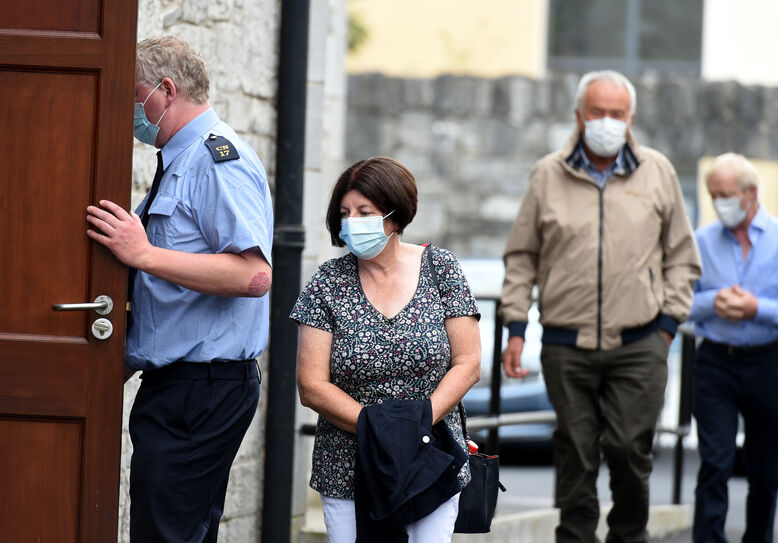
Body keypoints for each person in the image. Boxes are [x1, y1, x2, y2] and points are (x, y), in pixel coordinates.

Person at [500, 70, 701, 543]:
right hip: (566, 344)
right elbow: (522, 254)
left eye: (617, 114)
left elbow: (683, 257)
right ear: (578, 115)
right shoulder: (548, 173)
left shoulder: (658, 171)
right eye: (597, 113)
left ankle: (629, 536)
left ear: (631, 119)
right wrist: (514, 326)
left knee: (632, 450)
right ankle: (575, 537)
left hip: (641, 341)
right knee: (575, 454)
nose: (607, 122)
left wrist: (668, 323)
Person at [85, 35, 273, 543]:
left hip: (201, 390)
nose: (129, 112)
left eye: (134, 96)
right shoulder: (180, 159)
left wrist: (142, 253)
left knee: (166, 535)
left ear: (166, 90)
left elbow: (253, 276)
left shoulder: (217, 161)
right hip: (180, 388)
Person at [291, 157, 481, 542]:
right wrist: (380, 429)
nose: (352, 222)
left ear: (395, 216)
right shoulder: (328, 282)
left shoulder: (441, 268)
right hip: (348, 464)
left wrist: (419, 421)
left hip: (431, 455)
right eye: (345, 213)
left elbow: (468, 362)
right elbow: (311, 385)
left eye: (365, 212)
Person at [690, 153, 778, 543]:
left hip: (770, 361)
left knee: (766, 468)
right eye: (713, 194)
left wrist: (758, 308)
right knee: (715, 463)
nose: (720, 202)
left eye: (726, 194)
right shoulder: (701, 240)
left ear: (751, 193)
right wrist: (713, 301)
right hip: (716, 361)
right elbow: (681, 302)